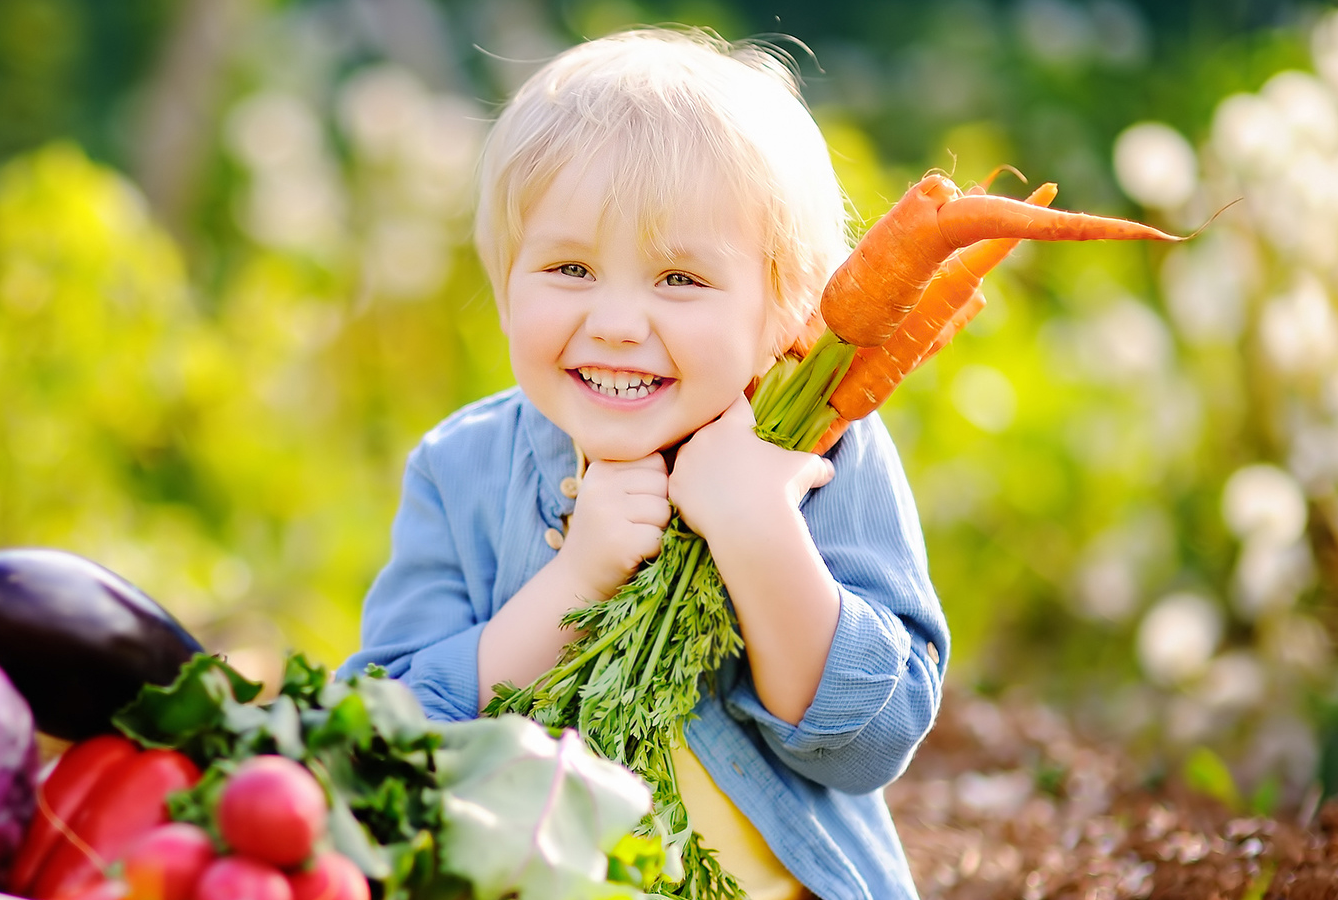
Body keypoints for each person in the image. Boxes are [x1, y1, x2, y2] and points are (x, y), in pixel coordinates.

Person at [341, 28, 947, 900]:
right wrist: (575, 580)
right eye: (570, 267)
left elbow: (872, 742)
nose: (618, 321)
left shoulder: (824, 452)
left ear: (782, 311)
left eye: (680, 279)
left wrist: (758, 531)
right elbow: (382, 742)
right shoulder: (460, 468)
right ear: (506, 282)